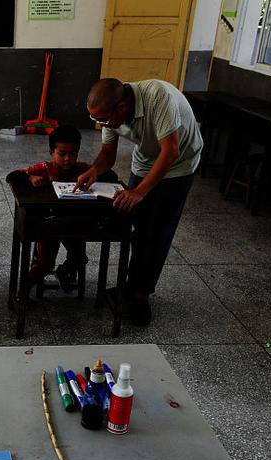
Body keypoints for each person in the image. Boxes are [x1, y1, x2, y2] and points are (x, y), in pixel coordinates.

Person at [75, 78, 203, 326]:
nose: (101, 124)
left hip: (179, 162)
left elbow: (171, 151)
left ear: (121, 108)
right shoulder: (110, 111)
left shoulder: (157, 98)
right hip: (146, 159)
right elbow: (108, 154)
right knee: (137, 225)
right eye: (96, 120)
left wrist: (139, 192)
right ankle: (131, 284)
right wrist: (94, 171)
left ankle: (141, 294)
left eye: (103, 120)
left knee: (158, 230)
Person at [5, 124, 114, 294]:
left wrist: (95, 173)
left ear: (77, 153)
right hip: (49, 224)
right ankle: (23, 291)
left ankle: (64, 272)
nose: (67, 159)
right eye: (61, 154)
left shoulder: (83, 169)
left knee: (80, 259)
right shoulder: (44, 169)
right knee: (44, 264)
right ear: (51, 152)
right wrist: (30, 177)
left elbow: (111, 176)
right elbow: (11, 176)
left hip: (74, 224)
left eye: (72, 154)